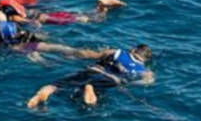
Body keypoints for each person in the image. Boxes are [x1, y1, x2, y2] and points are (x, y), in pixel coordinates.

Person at [25, 44, 154, 108]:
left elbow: (91, 55)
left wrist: (73, 54)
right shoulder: (145, 70)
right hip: (112, 79)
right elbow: (146, 82)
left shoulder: (117, 52)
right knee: (92, 95)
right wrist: (127, 83)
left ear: (133, 49)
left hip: (92, 70)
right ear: (144, 59)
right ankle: (90, 90)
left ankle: (39, 96)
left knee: (55, 85)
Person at [0, 0, 126, 26]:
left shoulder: (10, 17)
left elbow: (30, 22)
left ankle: (103, 7)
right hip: (49, 13)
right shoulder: (10, 4)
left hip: (49, 19)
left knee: (91, 19)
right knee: (85, 15)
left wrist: (37, 29)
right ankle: (101, 6)